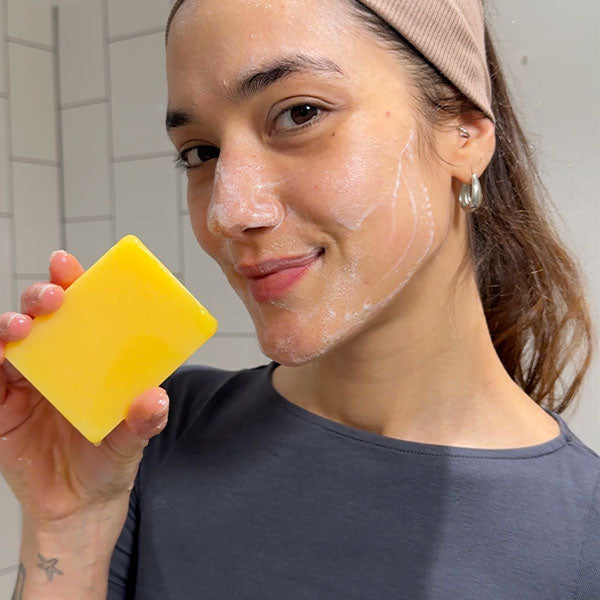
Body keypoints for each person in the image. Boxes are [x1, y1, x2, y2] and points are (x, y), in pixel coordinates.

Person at [0, 0, 598, 598]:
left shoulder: (583, 537)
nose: (228, 212)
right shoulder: (154, 432)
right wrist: (65, 523)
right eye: (201, 153)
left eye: (299, 113)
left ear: (463, 132)